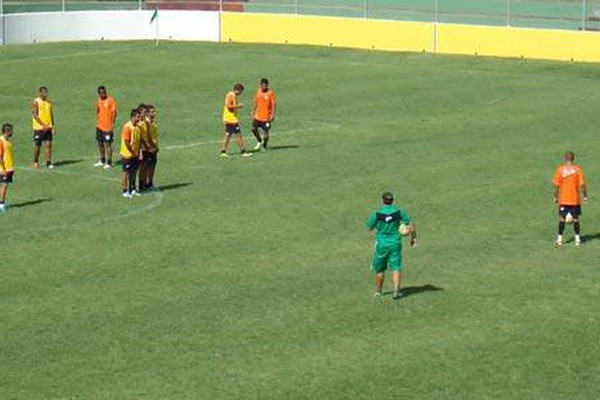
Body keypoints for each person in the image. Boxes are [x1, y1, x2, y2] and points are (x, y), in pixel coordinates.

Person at [367, 192, 417, 300]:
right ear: (393, 200)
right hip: (395, 243)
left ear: (382, 200)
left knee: (380, 269)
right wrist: (413, 238)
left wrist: (381, 227)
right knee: (396, 267)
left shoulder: (377, 214)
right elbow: (411, 224)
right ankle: (396, 291)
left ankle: (379, 292)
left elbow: (369, 228)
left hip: (382, 244)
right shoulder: (399, 212)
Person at [553, 151, 588, 247]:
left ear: (565, 158)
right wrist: (585, 196)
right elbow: (582, 185)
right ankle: (577, 239)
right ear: (573, 159)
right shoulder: (577, 170)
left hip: (564, 199)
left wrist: (555, 196)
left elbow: (556, 185)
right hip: (575, 199)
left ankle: (559, 239)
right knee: (576, 219)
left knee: (562, 219)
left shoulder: (560, 170)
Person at [220, 83, 252, 158]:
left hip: (229, 118)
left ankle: (223, 151)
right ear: (238, 90)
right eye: (241, 92)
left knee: (228, 135)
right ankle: (243, 152)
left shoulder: (232, 95)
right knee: (238, 135)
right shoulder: (231, 95)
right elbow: (228, 106)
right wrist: (238, 106)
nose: (241, 93)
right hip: (231, 119)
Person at [119, 109, 142, 198]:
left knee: (133, 172)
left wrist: (139, 152)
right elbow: (126, 141)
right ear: (133, 116)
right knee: (126, 172)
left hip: (134, 154)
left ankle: (132, 189)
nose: (139, 118)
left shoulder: (137, 127)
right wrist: (132, 151)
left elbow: (138, 140)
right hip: (127, 155)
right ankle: (125, 191)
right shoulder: (127, 127)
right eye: (138, 116)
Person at [94, 85, 118, 169]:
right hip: (99, 127)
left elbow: (114, 113)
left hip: (108, 127)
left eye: (104, 92)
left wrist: (112, 125)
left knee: (108, 144)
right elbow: (98, 111)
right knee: (100, 143)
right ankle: (102, 160)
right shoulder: (98, 101)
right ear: (99, 94)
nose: (103, 94)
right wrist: (98, 122)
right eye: (101, 93)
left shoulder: (111, 100)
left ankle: (109, 162)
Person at [32, 86, 56, 169]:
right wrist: (43, 125)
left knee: (48, 145)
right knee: (37, 145)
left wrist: (53, 126)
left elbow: (51, 115)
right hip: (39, 128)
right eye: (44, 92)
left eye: (46, 92)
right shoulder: (36, 102)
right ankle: (35, 161)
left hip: (48, 127)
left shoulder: (49, 103)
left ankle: (48, 162)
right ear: (40, 93)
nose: (46, 94)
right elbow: (35, 115)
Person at [251, 78, 277, 151]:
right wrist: (253, 111)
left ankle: (264, 146)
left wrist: (272, 114)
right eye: (262, 86)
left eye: (265, 86)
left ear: (267, 85)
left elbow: (274, 104)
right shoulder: (258, 91)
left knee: (266, 133)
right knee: (253, 129)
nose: (264, 87)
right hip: (258, 116)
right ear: (260, 85)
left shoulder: (270, 93)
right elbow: (256, 102)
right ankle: (259, 141)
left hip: (266, 117)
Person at [0, 123, 15, 214]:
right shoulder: (1, 141)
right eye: (11, 130)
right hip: (3, 169)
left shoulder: (8, 141)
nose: (13, 132)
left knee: (4, 185)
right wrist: (3, 168)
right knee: (4, 185)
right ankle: (1, 204)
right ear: (7, 131)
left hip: (9, 168)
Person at [136, 104, 151, 191]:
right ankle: (138, 185)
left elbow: (147, 134)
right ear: (139, 112)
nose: (146, 114)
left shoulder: (145, 122)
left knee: (145, 166)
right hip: (141, 148)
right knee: (140, 167)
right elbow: (139, 138)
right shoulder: (138, 123)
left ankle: (143, 184)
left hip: (146, 148)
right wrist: (142, 149)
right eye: (144, 112)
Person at [144, 105, 159, 191]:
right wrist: (153, 146)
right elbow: (148, 136)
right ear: (148, 113)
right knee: (147, 166)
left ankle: (150, 183)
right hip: (149, 148)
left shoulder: (153, 122)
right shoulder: (147, 123)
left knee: (152, 165)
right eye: (152, 112)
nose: (154, 113)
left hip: (154, 147)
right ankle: (146, 184)